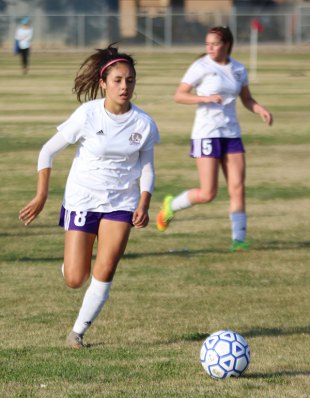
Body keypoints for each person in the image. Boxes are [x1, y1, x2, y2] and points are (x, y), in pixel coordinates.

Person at [19, 44, 160, 348]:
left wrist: (144, 202)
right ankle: (72, 261)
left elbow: (147, 167)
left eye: (130, 80)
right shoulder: (88, 115)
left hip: (121, 203)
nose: (125, 86)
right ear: (103, 84)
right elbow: (47, 152)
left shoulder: (144, 124)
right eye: (118, 80)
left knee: (106, 267)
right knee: (74, 278)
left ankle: (76, 333)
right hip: (82, 200)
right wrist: (42, 195)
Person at [156, 26, 272, 252]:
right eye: (207, 43)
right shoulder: (200, 66)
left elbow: (247, 99)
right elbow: (179, 95)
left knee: (237, 188)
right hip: (207, 133)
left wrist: (259, 110)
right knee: (208, 193)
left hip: (232, 134)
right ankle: (171, 205)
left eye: (214, 44)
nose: (209, 47)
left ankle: (238, 240)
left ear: (226, 45)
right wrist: (206, 97)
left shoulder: (238, 68)